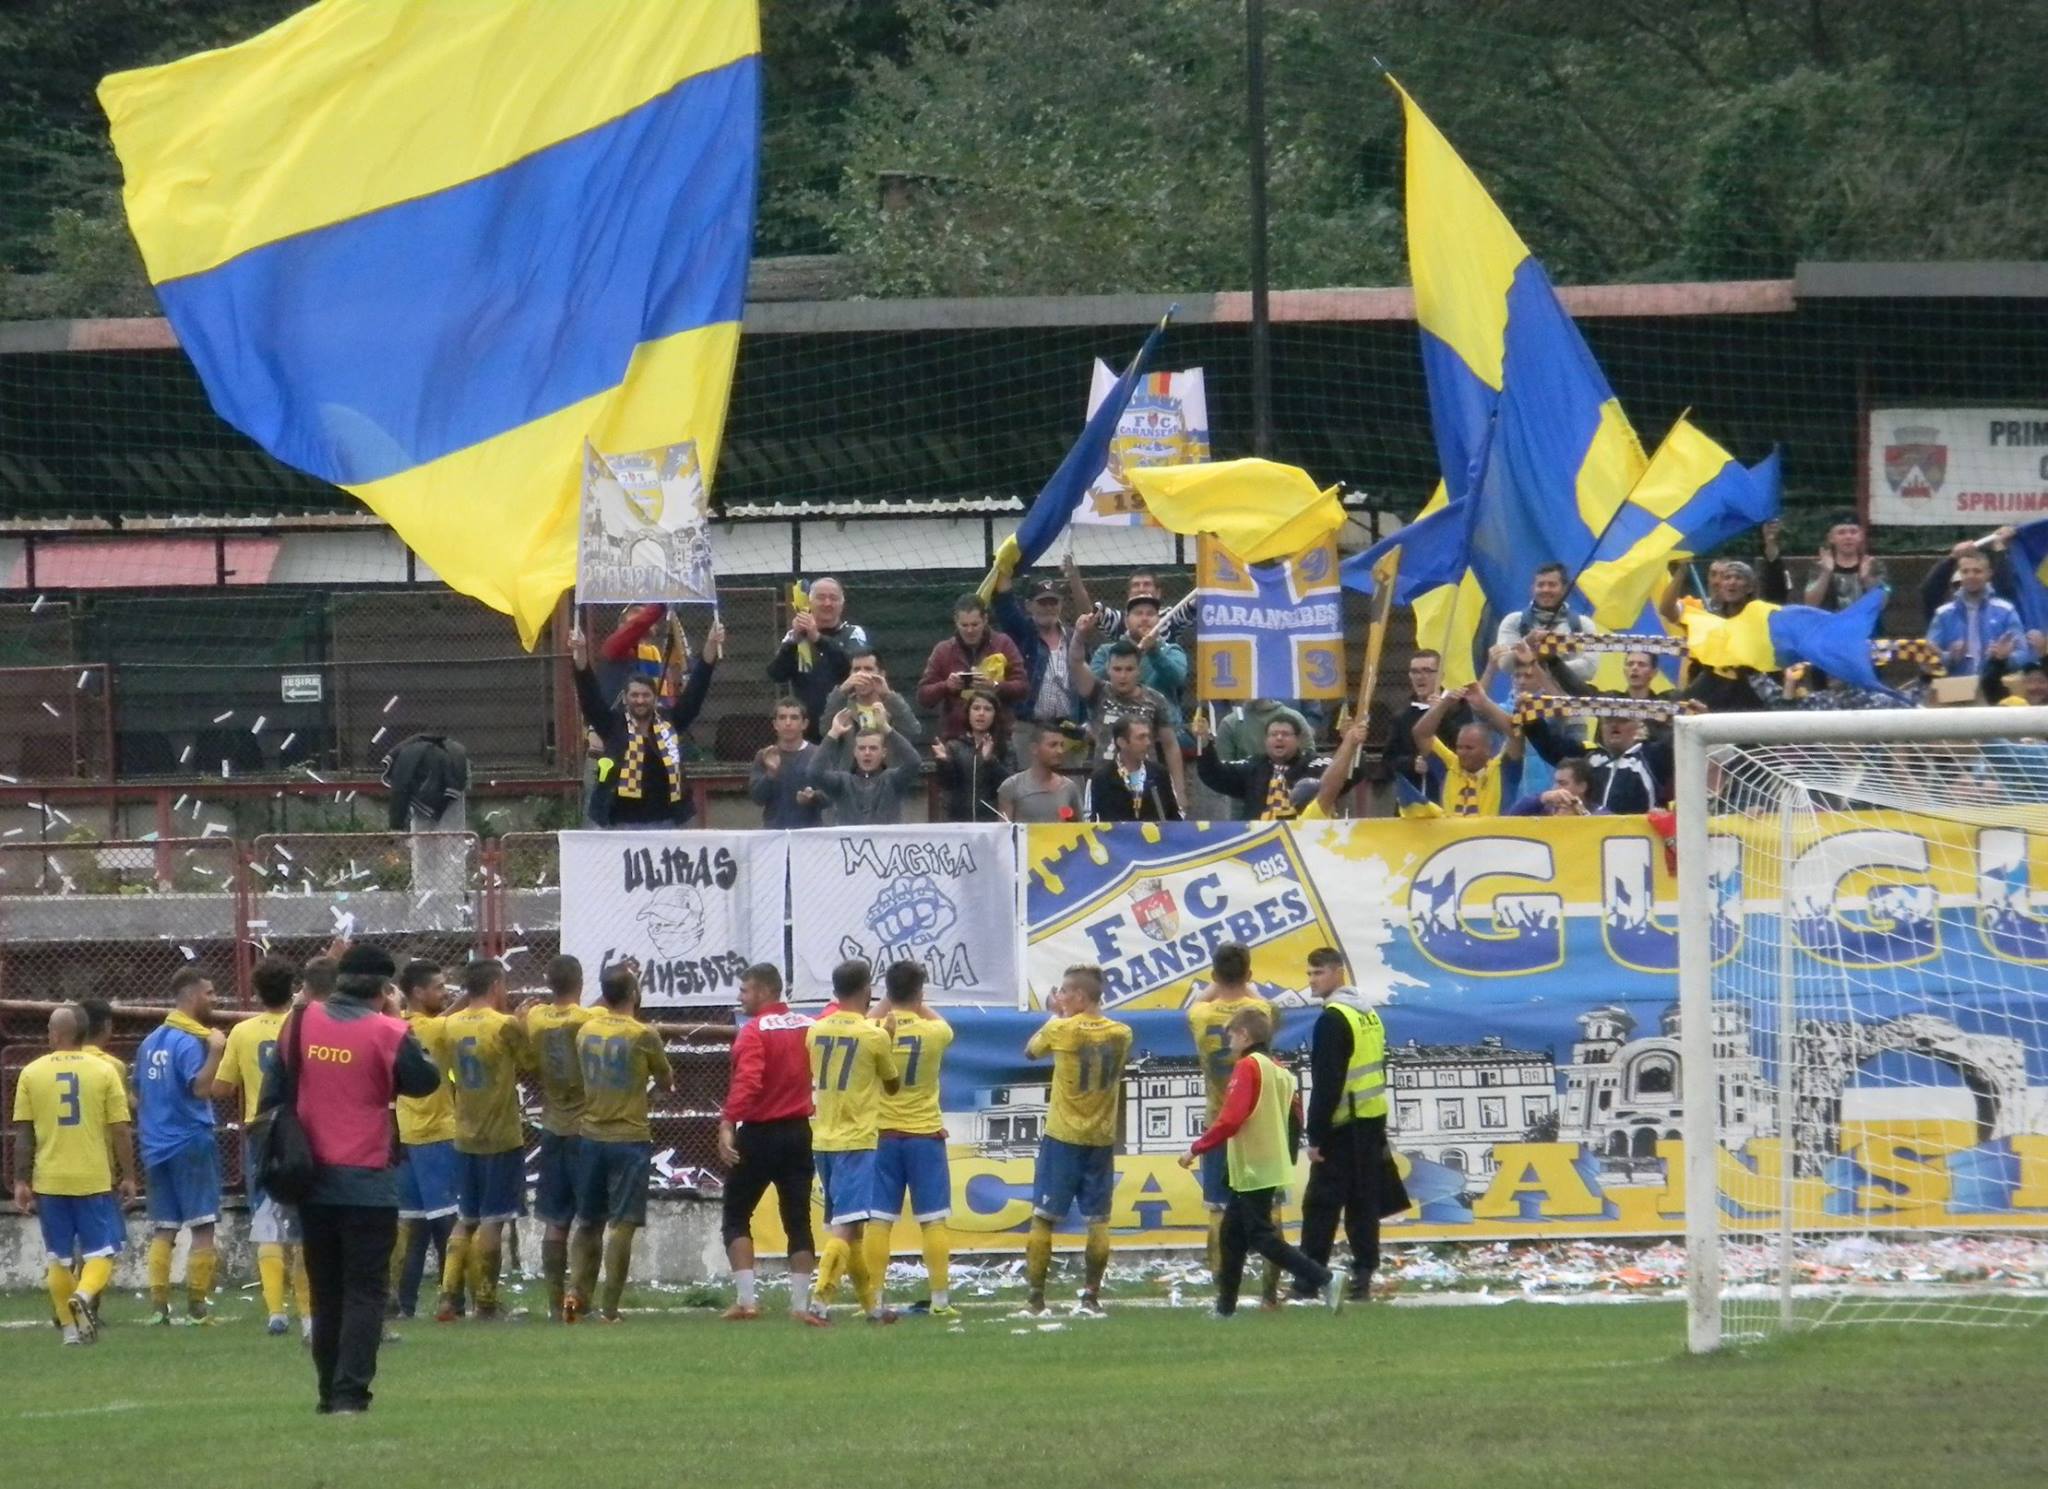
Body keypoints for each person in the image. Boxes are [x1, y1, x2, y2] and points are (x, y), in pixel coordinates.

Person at [260, 944, 441, 1416]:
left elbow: (273, 1090)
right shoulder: (388, 1031)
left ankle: (327, 1391)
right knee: (365, 1291)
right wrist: (398, 1020)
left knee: (327, 1291)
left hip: (311, 1177)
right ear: (384, 989)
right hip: (367, 1179)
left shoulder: (299, 1022)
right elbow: (426, 1082)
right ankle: (350, 1392)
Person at [1181, 1008, 1341, 1316]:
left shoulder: (1248, 1067)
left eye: (1231, 1035)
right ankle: (1225, 1309)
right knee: (1231, 1235)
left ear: (1244, 1035)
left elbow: (1230, 1119)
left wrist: (1196, 1149)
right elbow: (1296, 1119)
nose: (1229, 1041)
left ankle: (1324, 1278)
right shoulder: (1279, 1070)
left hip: (1252, 1166)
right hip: (1266, 1165)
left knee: (1261, 1237)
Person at [12, 1004, 137, 1345]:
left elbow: (24, 1133)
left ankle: (70, 1332)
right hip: (93, 1177)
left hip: (50, 1179)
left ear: (56, 1034)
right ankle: (83, 1294)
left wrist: (21, 1180)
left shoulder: (31, 1073)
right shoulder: (104, 1070)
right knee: (102, 1252)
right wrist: (128, 1175)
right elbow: (120, 1129)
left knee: (58, 1257)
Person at [565, 962, 674, 1324]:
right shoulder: (643, 1034)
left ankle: (576, 1295)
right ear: (634, 994)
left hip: (590, 1134)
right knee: (622, 1224)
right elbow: (666, 1079)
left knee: (587, 1220)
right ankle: (610, 1309)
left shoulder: (585, 1031)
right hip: (629, 1138)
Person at [1022, 964, 1132, 1316]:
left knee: (1043, 1218)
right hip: (1101, 1137)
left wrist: (1057, 1016)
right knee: (1098, 1220)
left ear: (1081, 997)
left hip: (1063, 1136)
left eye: (1065, 992)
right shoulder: (1122, 1033)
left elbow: (1030, 1051)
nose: (1061, 998)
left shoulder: (1061, 1029)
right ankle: (1090, 1297)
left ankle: (1036, 1299)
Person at [718, 963, 822, 1326]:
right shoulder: (809, 1025)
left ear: (763, 991)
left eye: (744, 990)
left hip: (759, 1134)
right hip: (798, 1131)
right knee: (798, 1218)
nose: (740, 997)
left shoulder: (754, 1031)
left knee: (736, 1214)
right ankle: (800, 1305)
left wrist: (728, 1121)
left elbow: (748, 1081)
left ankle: (747, 1301)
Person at [215, 956, 311, 1338]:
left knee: (267, 1218)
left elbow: (223, 1087)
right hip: (302, 1129)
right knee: (303, 1221)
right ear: (292, 987)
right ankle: (309, 1312)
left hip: (263, 1132)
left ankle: (275, 1312)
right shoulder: (304, 1026)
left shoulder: (242, 1031)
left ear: (256, 993)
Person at [803, 959, 902, 1325]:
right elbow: (892, 1086)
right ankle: (819, 1303)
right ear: (866, 990)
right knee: (845, 1228)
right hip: (856, 1139)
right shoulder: (874, 1036)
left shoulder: (815, 1031)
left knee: (852, 1226)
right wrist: (889, 1039)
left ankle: (872, 1307)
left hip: (823, 1138)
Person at [435, 958, 533, 1322]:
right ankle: (486, 1302)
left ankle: (448, 1297)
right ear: (495, 986)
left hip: (465, 1132)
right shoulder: (503, 1024)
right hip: (500, 1135)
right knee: (494, 1219)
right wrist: (522, 1024)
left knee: (466, 1217)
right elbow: (530, 1061)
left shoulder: (450, 1025)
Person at [1185, 944, 1280, 1302]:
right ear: (1249, 974)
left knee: (1217, 1209)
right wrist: (1247, 985)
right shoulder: (1261, 1013)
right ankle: (1270, 1296)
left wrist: (1214, 985)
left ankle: (1223, 1293)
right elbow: (1263, 1004)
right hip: (1260, 1124)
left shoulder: (1200, 1014)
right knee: (1270, 1209)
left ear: (1214, 974)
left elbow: (1201, 1001)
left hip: (1219, 1122)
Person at [134, 967, 226, 1325]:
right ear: (191, 996)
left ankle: (159, 1308)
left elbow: (137, 1093)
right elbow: (200, 1088)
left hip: (155, 1145)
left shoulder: (150, 1042)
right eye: (210, 993)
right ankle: (197, 1308)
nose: (214, 999)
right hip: (190, 1141)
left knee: (165, 1227)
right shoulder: (190, 1042)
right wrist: (216, 1052)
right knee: (203, 1225)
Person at [1297, 948, 1389, 1302]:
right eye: (1309, 973)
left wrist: (1315, 1135)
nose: (1312, 980)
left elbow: (1327, 1083)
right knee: (1364, 1204)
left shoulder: (1332, 1019)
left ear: (1338, 973)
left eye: (1318, 973)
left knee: (1320, 1206)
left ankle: (1309, 1280)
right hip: (1371, 1118)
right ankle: (1362, 1277)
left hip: (1342, 1124)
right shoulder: (1368, 1014)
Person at [865, 962, 956, 1317]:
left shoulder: (873, 1030)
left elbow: (868, 1020)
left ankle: (873, 1300)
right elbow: (940, 1022)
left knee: (878, 1220)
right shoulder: (936, 1032)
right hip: (924, 1135)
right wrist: (915, 1002)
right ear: (920, 993)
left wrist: (889, 1001)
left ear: (887, 992)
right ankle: (940, 1301)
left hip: (882, 1135)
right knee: (933, 1220)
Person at [571, 619, 723, 827]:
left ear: (655, 698)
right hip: (621, 824)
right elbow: (589, 696)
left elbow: (696, 692)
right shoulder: (612, 725)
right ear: (625, 699)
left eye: (645, 695)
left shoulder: (670, 721)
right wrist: (580, 653)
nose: (640, 700)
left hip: (667, 823)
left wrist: (711, 645)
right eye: (634, 695)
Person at [525, 954, 596, 1321]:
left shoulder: (536, 1018)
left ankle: (555, 1302)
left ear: (549, 984)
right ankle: (579, 1298)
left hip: (552, 1125)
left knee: (556, 1220)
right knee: (589, 1219)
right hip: (585, 1128)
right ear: (580, 983)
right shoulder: (589, 1019)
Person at [390, 958, 460, 1321]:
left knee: (413, 1227)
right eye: (439, 987)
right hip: (437, 1135)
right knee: (448, 1222)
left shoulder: (395, 1028)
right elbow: (458, 1018)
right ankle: (453, 1300)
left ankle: (404, 1304)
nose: (445, 993)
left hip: (405, 1136)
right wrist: (474, 993)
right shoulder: (436, 1029)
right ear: (418, 992)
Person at [1073, 631, 1186, 803]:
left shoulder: (1155, 700)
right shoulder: (1098, 692)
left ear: (1139, 670)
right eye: (1117, 669)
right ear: (1108, 670)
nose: (1123, 676)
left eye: (1129, 669)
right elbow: (1076, 662)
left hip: (1145, 783)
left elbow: (1170, 745)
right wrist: (1079, 635)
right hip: (1106, 783)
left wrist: (1179, 792)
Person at [766, 576, 867, 741]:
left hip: (846, 726)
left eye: (833, 598)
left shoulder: (853, 633)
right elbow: (776, 674)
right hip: (806, 730)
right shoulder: (795, 637)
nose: (827, 603)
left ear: (842, 604)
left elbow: (853, 666)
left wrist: (818, 639)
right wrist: (793, 642)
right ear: (810, 602)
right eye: (821, 598)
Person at [917, 593, 1028, 738]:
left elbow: (1023, 687)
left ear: (985, 619)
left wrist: (995, 686)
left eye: (975, 625)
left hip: (998, 736)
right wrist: (946, 686)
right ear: (955, 621)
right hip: (956, 737)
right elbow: (923, 696)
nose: (969, 630)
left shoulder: (1003, 644)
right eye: (964, 625)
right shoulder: (943, 651)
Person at [1411, 681, 1524, 818]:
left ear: (1488, 749)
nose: (1462, 752)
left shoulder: (1503, 769)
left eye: (1469, 748)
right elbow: (1421, 734)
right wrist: (1444, 704)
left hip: (1495, 832)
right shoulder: (1449, 766)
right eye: (1459, 747)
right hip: (1453, 832)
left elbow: (1516, 734)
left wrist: (1484, 703)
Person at [1192, 708, 1327, 821]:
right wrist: (1204, 744)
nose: (1279, 738)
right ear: (1265, 740)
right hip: (1257, 838)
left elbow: (1338, 777)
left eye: (1285, 734)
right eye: (1273, 734)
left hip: (1300, 836)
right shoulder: (1253, 765)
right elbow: (1215, 774)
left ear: (1298, 740)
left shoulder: (1313, 764)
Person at [994, 575, 1083, 737]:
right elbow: (1005, 605)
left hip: (1069, 727)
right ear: (1029, 605)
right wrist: (1004, 569)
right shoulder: (1023, 634)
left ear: (1061, 605)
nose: (1049, 608)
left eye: (1053, 602)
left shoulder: (1073, 637)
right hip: (1029, 727)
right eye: (1042, 602)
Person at [1382, 649, 1472, 805]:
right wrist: (1412, 764)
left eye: (1427, 671)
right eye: (1415, 672)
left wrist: (1440, 713)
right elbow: (1388, 761)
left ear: (1441, 676)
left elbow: (1465, 746)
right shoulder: (1402, 716)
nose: (1420, 677)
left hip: (1452, 795)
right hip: (1414, 799)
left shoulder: (1458, 708)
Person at [1928, 550, 2034, 678]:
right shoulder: (1943, 614)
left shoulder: (2006, 610)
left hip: (1995, 685)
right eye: (1965, 571)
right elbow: (1927, 659)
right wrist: (1949, 657)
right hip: (1956, 686)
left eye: (1977, 571)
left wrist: (2005, 658)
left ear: (1988, 574)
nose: (1971, 576)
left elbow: (2024, 654)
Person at [812, 708, 924, 826]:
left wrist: (887, 729)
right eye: (861, 748)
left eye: (873, 748)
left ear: (883, 753)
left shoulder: (892, 779)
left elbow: (914, 762)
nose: (867, 753)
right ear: (855, 752)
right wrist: (833, 734)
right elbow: (814, 772)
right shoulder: (842, 782)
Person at [1495, 564, 1597, 682]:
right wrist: (1527, 642)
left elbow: (1589, 669)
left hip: (1567, 693)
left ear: (1564, 589)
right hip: (1526, 693)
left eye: (1552, 585)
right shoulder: (1514, 621)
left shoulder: (1583, 624)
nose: (1545, 589)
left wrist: (1545, 661)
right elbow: (1505, 665)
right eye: (1540, 585)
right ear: (1532, 589)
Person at [1063, 558, 1197, 647]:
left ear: (1158, 593)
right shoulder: (1120, 619)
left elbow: (1195, 602)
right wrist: (1074, 576)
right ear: (1128, 593)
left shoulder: (1170, 615)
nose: (1141, 589)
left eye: (1147, 584)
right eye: (1136, 585)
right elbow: (1089, 615)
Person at [932, 689, 1017, 822]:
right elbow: (947, 784)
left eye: (987, 709)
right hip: (959, 821)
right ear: (968, 713)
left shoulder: (1005, 747)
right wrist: (944, 762)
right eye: (976, 708)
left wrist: (990, 761)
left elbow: (1010, 785)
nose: (981, 713)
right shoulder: (955, 746)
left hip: (992, 821)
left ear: (995, 715)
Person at [749, 697, 827, 829]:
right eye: (782, 717)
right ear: (775, 724)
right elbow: (757, 798)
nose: (788, 723)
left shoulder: (818, 755)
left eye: (794, 718)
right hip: (774, 833)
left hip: (810, 834)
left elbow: (831, 795)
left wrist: (813, 797)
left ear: (804, 724)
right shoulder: (764, 755)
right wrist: (770, 774)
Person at [1086, 715, 1183, 822]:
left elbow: (1175, 816)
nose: (1148, 742)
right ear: (1122, 742)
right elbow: (1089, 820)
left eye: (1148, 737)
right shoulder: (1100, 778)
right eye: (1141, 738)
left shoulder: (1159, 774)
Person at [820, 646, 924, 744]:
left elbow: (913, 731)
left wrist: (888, 696)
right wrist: (841, 692)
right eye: (856, 669)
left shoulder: (892, 707)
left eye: (868, 669)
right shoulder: (843, 707)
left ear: (881, 674)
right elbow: (825, 732)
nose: (861, 674)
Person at [996, 719, 1085, 823]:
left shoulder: (1069, 788)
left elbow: (1078, 828)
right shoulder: (1012, 786)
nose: (1060, 751)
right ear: (1034, 748)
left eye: (1062, 745)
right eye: (1053, 745)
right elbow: (1004, 830)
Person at [1803, 514, 1891, 613]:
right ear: (1831, 538)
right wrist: (1826, 573)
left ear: (1861, 536)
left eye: (1853, 532)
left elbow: (1882, 603)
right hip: (1830, 621)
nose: (1848, 537)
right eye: (1841, 533)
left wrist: (1866, 578)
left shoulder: (1874, 564)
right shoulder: (1820, 565)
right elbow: (1810, 604)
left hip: (1865, 621)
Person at [1507, 756, 1600, 816]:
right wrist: (1543, 798)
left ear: (1582, 787)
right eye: (1555, 783)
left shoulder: (1600, 812)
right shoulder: (1547, 811)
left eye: (1563, 783)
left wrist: (1580, 813)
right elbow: (1512, 816)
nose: (1555, 789)